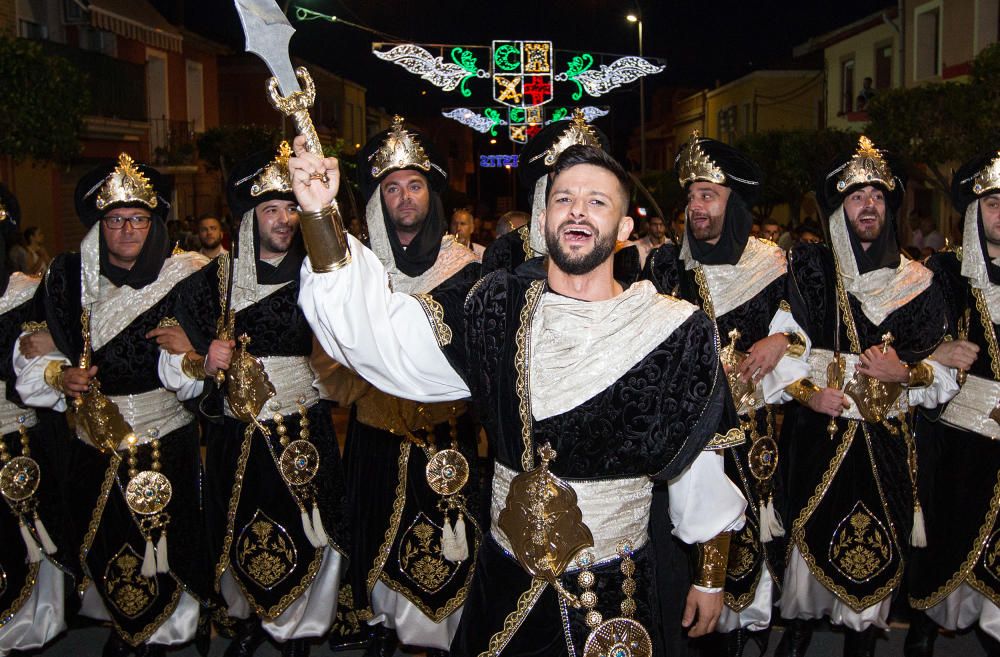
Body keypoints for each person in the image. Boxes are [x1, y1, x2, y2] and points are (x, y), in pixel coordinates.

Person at [293, 138, 746, 656]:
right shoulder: (495, 307)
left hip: (614, 596)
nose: (577, 210)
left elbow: (703, 460)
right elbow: (382, 337)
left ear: (623, 231)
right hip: (502, 586)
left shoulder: (674, 329)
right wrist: (319, 215)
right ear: (544, 218)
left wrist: (710, 577)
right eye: (563, 198)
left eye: (597, 201)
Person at [14, 153, 211, 657]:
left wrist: (189, 357)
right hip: (92, 441)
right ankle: (125, 625)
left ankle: (168, 630)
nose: (127, 229)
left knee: (168, 538)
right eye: (116, 220)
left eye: (139, 219)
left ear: (154, 223)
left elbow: (201, 368)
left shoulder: (184, 276)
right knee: (106, 540)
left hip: (163, 435)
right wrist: (60, 374)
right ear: (100, 225)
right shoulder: (65, 278)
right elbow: (37, 352)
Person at [155, 143, 348, 657]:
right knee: (239, 527)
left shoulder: (324, 276)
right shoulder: (211, 283)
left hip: (301, 429)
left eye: (290, 208)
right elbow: (172, 356)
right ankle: (253, 622)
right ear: (248, 217)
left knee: (309, 527)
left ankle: (302, 628)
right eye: (271, 210)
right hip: (233, 436)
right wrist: (202, 360)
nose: (284, 220)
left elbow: (351, 351)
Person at [776, 137, 957, 657]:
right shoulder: (813, 270)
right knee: (811, 537)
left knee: (875, 541)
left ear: (890, 207)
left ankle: (863, 639)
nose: (868, 204)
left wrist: (907, 372)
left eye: (877, 195)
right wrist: (809, 395)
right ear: (840, 207)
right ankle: (799, 631)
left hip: (888, 443)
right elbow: (785, 340)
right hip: (821, 433)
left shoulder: (919, 282)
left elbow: (946, 372)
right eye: (856, 196)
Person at [319, 116, 482, 657]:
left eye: (414, 185)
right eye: (391, 188)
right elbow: (333, 351)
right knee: (374, 542)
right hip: (377, 436)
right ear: (378, 200)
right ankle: (382, 630)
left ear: (431, 194)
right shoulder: (359, 270)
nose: (404, 198)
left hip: (447, 439)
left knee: (448, 554)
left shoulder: (467, 268)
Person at [644, 132, 808, 656]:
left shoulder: (771, 264)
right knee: (686, 548)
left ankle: (749, 637)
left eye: (707, 195)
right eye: (691, 195)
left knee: (753, 548)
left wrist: (782, 338)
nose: (696, 206)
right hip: (689, 437)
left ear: (731, 203)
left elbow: (808, 333)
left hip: (752, 435)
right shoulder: (667, 267)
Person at [906, 149, 1000, 657]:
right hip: (959, 444)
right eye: (991, 202)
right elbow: (901, 338)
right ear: (973, 211)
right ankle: (920, 637)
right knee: (946, 554)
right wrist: (933, 349)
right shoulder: (943, 272)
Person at [0, 183, 69, 656]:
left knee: (27, 532)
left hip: (16, 434)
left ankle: (30, 623)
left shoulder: (28, 293)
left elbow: (51, 363)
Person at [481, 109, 607, 277]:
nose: (579, 184)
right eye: (566, 174)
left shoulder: (620, 254)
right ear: (545, 185)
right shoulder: (507, 252)